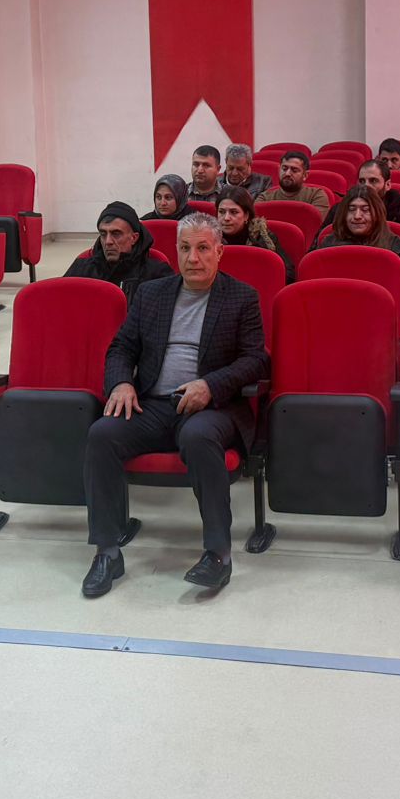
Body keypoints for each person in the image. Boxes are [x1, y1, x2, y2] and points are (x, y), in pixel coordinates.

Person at [81, 213, 268, 598]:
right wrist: (121, 383)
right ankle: (107, 551)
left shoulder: (241, 297)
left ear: (219, 252)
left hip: (212, 408)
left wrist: (209, 385)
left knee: (199, 437)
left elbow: (255, 360)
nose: (193, 258)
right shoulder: (152, 293)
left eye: (202, 248)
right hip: (153, 403)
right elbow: (122, 347)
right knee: (102, 434)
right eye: (185, 248)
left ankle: (218, 555)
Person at [66, 201, 171, 299]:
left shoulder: (156, 274)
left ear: (134, 238)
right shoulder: (82, 269)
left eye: (116, 234)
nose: (108, 241)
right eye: (103, 234)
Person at [214, 187, 294, 280]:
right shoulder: (209, 238)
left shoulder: (264, 238)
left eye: (234, 212)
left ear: (246, 215)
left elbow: (288, 273)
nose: (226, 218)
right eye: (222, 212)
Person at [314, 185, 400, 264]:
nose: (357, 216)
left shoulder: (393, 245)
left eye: (365, 209)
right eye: (351, 209)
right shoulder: (328, 244)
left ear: (377, 213)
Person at [354, 158, 400, 249]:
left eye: (373, 181)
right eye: (362, 181)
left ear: (387, 185)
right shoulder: (344, 209)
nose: (366, 186)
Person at [257, 149, 331, 213]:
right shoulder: (265, 197)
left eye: (294, 170)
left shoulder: (316, 195)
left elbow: (315, 222)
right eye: (284, 169)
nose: (287, 173)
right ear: (279, 170)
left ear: (305, 175)